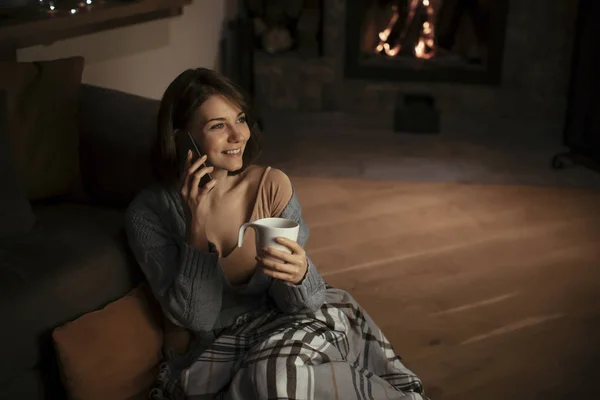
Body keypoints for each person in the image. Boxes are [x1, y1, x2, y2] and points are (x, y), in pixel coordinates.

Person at [125, 68, 427, 400]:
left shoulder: (270, 187)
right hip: (224, 349)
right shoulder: (148, 213)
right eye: (217, 126)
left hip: (291, 322)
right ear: (183, 139)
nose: (239, 136)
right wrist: (197, 224)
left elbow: (305, 302)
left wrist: (300, 274)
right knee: (277, 379)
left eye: (239, 119)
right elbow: (198, 318)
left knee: (275, 376)